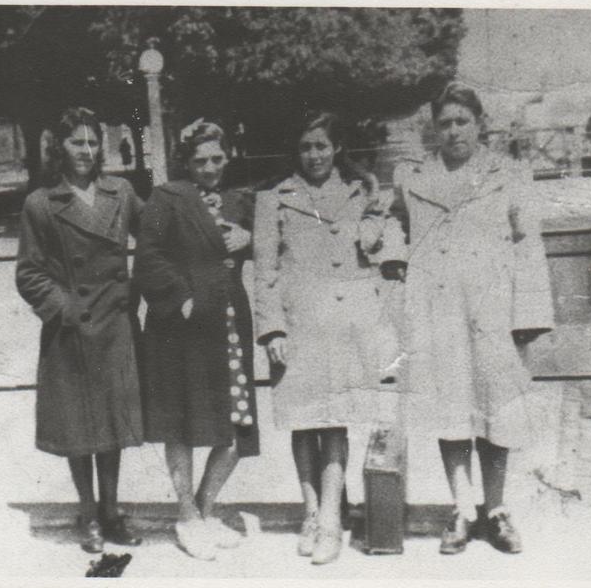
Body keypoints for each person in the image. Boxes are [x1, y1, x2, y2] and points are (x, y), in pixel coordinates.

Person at [381, 83, 554, 555]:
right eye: (445, 123)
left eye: (462, 121)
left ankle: (495, 511)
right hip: (438, 311)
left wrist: (530, 316)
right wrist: (395, 253)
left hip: (495, 311)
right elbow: (396, 221)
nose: (454, 131)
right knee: (449, 407)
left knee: (497, 410)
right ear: (434, 129)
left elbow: (529, 244)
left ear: (479, 124)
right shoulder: (413, 176)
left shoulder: (510, 174)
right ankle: (459, 508)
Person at [253, 110, 403, 565]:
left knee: (335, 420)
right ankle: (311, 512)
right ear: (294, 151)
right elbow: (266, 271)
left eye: (321, 145)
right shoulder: (273, 198)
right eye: (305, 147)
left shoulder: (361, 191)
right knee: (303, 421)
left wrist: (380, 232)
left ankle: (332, 519)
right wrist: (272, 329)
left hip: (345, 325)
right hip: (298, 326)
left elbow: (387, 237)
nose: (314, 154)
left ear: (336, 147)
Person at [16, 107, 144, 553]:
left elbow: (158, 232)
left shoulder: (122, 192)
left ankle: (111, 512)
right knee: (77, 428)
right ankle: (88, 514)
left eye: (93, 143)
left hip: (114, 327)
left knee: (111, 424)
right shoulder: (40, 203)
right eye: (77, 143)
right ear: (60, 148)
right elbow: (29, 274)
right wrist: (66, 310)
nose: (87, 151)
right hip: (70, 332)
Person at [133, 121, 259, 561]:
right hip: (182, 330)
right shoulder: (166, 199)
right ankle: (186, 515)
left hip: (227, 323)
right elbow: (148, 259)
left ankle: (206, 508)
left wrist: (252, 240)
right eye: (200, 160)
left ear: (228, 158)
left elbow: (280, 246)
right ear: (187, 161)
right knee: (182, 423)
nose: (209, 168)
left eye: (217, 159)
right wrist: (181, 299)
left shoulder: (240, 200)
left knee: (238, 425)